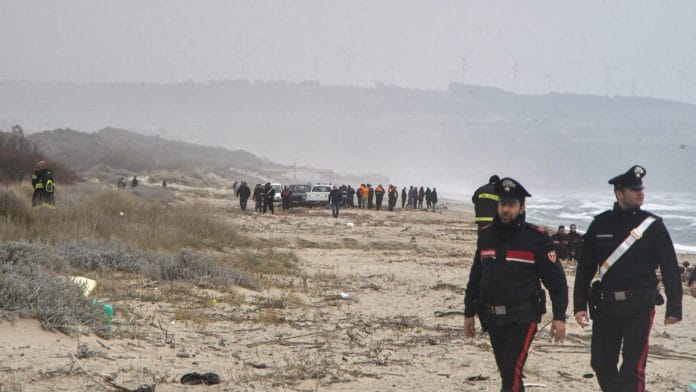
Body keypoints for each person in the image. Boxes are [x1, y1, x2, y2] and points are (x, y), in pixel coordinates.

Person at [573, 165, 682, 392]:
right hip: (605, 306)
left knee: (632, 370)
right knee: (601, 364)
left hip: (639, 306)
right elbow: (585, 268)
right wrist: (579, 305)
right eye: (634, 189)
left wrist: (674, 306)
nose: (640, 192)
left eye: (641, 188)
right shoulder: (600, 224)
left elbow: (670, 266)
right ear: (619, 193)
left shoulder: (653, 226)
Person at [464, 177, 567, 392]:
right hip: (493, 316)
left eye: (511, 205)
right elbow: (476, 275)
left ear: (522, 207)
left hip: (523, 315)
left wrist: (559, 317)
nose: (506, 210)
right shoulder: (486, 235)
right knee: (508, 372)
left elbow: (556, 281)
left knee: (511, 369)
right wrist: (469, 312)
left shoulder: (536, 238)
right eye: (503, 204)